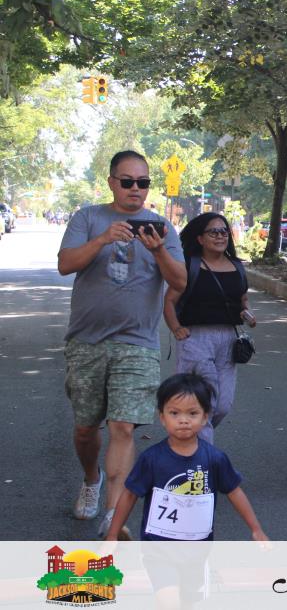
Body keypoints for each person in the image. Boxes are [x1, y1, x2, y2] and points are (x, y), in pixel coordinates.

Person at [58, 150, 187, 538]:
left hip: (138, 343)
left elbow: (180, 282)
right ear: (112, 182)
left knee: (123, 427)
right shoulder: (87, 218)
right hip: (87, 341)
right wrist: (102, 239)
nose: (136, 188)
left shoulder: (162, 228)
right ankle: (91, 478)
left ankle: (114, 515)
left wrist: (158, 250)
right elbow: (65, 264)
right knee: (86, 429)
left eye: (143, 182)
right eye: (127, 181)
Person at [104, 373, 268, 541]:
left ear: (205, 417)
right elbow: (129, 495)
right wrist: (112, 535)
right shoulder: (151, 458)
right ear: (162, 417)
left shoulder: (215, 459)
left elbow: (234, 491)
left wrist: (256, 529)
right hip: (156, 546)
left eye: (192, 413)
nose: (183, 420)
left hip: (198, 547)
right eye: (174, 413)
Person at [163, 213, 255, 444]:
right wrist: (176, 328)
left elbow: (243, 300)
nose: (220, 236)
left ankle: (188, 440)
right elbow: (169, 301)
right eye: (213, 232)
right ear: (200, 239)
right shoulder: (190, 266)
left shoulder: (237, 266)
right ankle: (203, 457)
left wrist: (247, 314)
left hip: (228, 339)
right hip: (196, 338)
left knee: (222, 405)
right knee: (205, 401)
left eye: (224, 231)